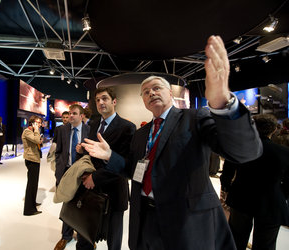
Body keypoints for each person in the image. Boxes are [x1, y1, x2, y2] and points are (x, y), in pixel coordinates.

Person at [81, 35, 262, 250]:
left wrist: (223, 101)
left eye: (157, 88)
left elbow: (244, 151)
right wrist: (111, 156)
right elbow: (133, 170)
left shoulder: (194, 118)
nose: (151, 93)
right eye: (146, 92)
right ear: (144, 101)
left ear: (170, 93)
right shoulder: (141, 134)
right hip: (145, 220)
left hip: (186, 222)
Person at [78, 87, 136, 250]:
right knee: (85, 235)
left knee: (113, 240)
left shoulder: (127, 127)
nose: (100, 102)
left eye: (104, 98)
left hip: (114, 192)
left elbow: (125, 163)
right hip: (91, 191)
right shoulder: (94, 124)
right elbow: (91, 154)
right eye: (97, 100)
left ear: (114, 102)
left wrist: (94, 178)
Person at [220, 114, 289, 250]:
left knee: (237, 240)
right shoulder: (284, 153)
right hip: (272, 201)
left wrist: (226, 188)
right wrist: (282, 194)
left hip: (241, 198)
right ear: (274, 130)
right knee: (266, 244)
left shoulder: (239, 148)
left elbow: (227, 172)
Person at [54, 104, 90, 250]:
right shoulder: (62, 130)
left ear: (82, 116)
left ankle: (85, 237)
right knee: (67, 205)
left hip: (83, 174)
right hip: (67, 172)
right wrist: (59, 169)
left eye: (74, 113)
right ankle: (66, 236)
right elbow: (58, 151)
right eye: (70, 113)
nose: (71, 116)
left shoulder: (89, 130)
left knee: (84, 207)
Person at [21, 115, 44, 216]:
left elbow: (38, 142)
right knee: (31, 184)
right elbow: (37, 140)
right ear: (32, 122)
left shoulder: (33, 131)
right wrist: (36, 130)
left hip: (35, 159)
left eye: (39, 123)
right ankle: (29, 210)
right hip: (31, 159)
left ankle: (32, 203)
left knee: (34, 184)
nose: (39, 124)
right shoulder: (27, 131)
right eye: (37, 122)